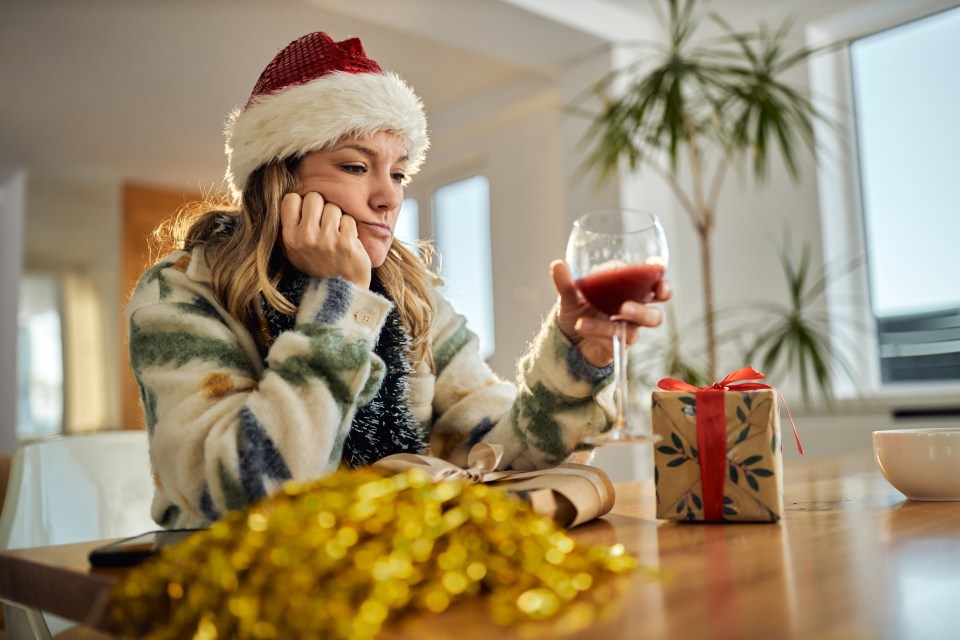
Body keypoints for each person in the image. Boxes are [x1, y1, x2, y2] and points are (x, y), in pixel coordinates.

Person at [127, 31, 671, 530]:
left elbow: (495, 449)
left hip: (401, 572)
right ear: (278, 179)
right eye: (355, 167)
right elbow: (243, 494)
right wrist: (339, 304)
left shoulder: (411, 291)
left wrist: (579, 356)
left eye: (399, 172)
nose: (389, 197)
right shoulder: (183, 291)